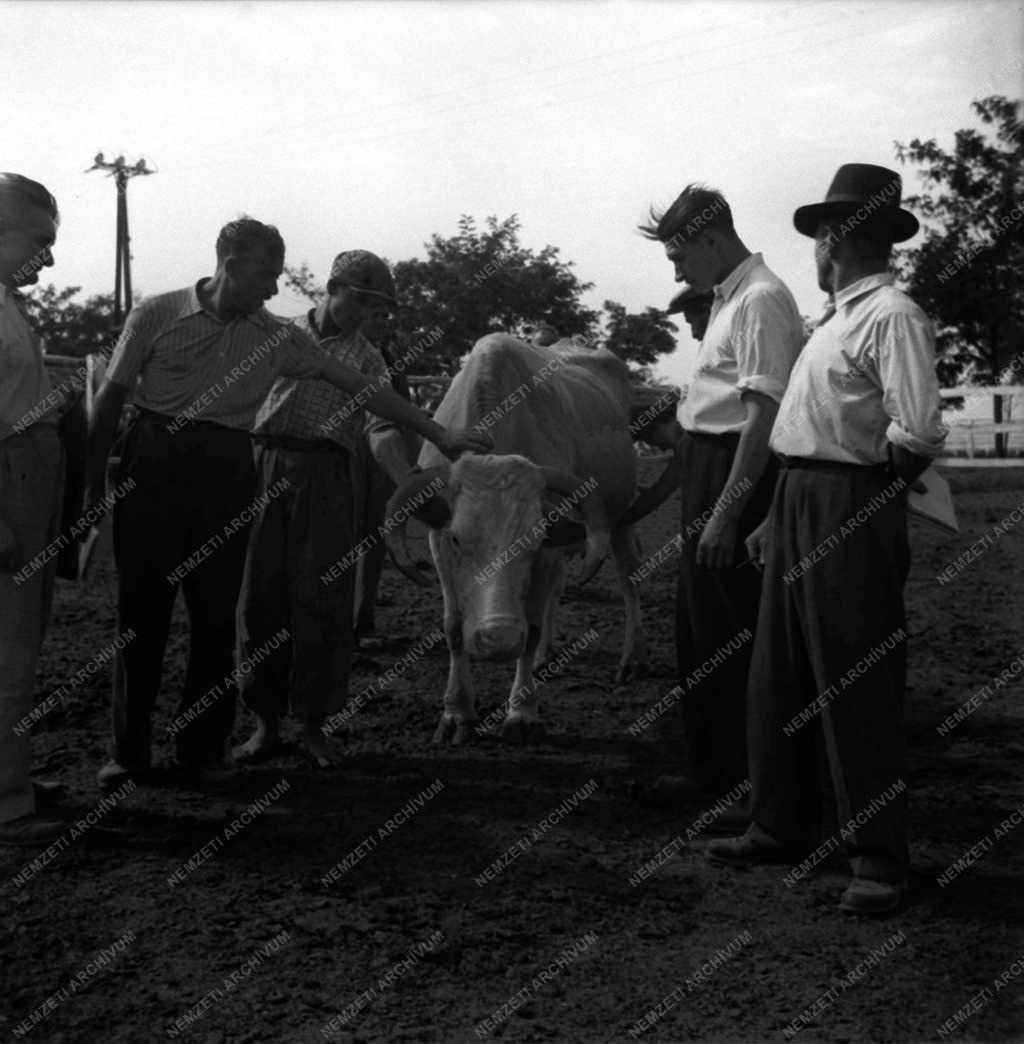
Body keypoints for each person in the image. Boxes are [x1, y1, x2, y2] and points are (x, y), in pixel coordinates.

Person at [86, 221, 490, 790]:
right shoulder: (156, 313)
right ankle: (129, 755)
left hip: (233, 466)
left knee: (217, 615)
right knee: (143, 616)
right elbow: (110, 397)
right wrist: (90, 488)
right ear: (227, 260)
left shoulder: (280, 338)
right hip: (160, 462)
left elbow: (364, 390)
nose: (274, 289)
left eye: (279, 276)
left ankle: (203, 752)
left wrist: (437, 434)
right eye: (265, 274)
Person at [707, 164, 947, 916]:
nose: (813, 249)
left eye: (819, 237)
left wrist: (863, 507)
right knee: (776, 674)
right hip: (800, 496)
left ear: (835, 240)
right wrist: (780, 516)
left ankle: (878, 859)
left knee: (854, 678)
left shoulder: (893, 315)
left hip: (849, 501)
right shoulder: (835, 320)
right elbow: (802, 432)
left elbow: (918, 430)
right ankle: (780, 823)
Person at [637, 184, 805, 801]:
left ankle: (743, 783)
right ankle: (716, 772)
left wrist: (726, 515)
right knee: (703, 630)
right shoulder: (731, 300)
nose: (678, 271)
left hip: (734, 473)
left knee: (731, 633)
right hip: (708, 464)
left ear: (710, 239)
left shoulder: (760, 300)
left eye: (680, 257)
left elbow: (763, 415)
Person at [232, 251, 421, 765]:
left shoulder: (368, 359)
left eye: (376, 306)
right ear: (332, 286)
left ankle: (315, 726)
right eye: (359, 300)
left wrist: (408, 482)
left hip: (328, 473)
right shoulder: (277, 332)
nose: (363, 313)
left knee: (324, 599)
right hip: (264, 462)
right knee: (258, 598)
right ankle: (264, 723)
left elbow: (381, 428)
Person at [0, 173, 65, 843]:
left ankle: (10, 775)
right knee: (8, 647)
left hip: (31, 474)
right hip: (8, 480)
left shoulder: (8, 302)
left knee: (24, 636)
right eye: (38, 241)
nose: (47, 257)